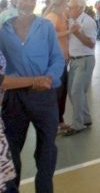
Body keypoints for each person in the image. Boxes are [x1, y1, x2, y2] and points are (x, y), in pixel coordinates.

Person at [0, 0, 65, 193]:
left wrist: (49, 79)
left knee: (47, 150)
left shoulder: (45, 26)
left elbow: (57, 58)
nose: (28, 3)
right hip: (14, 98)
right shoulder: (3, 28)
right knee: (12, 150)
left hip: (44, 96)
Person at [0, 50, 55, 192]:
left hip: (34, 96)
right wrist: (34, 81)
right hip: (16, 99)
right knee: (9, 163)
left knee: (46, 151)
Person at [62, 0, 97, 136]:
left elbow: (91, 43)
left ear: (80, 8)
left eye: (70, 7)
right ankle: (86, 119)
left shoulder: (88, 22)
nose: (68, 9)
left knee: (76, 91)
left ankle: (78, 125)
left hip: (85, 60)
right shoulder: (71, 20)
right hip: (75, 60)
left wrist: (77, 33)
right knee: (74, 91)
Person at [43, 0, 70, 132]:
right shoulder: (51, 17)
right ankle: (54, 123)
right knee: (56, 93)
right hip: (54, 61)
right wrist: (69, 32)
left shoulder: (62, 15)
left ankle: (59, 120)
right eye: (67, 1)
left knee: (62, 92)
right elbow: (48, 36)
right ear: (63, 1)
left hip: (63, 58)